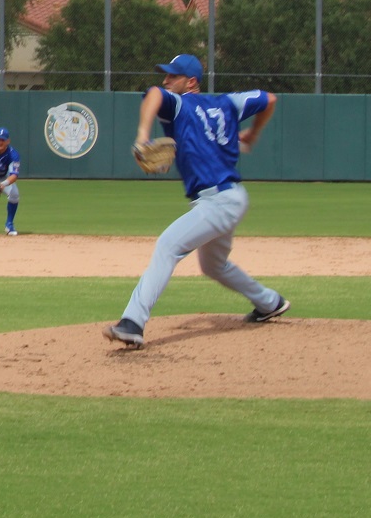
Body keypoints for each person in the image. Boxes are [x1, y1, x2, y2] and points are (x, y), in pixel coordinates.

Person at [103, 54, 289, 349]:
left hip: (217, 202)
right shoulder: (228, 103)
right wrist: (253, 133)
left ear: (191, 82)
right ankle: (269, 302)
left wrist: (142, 135)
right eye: (165, 76)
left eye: (172, 77)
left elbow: (152, 94)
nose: (165, 82)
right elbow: (270, 99)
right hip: (231, 198)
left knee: (167, 245)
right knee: (214, 266)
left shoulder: (179, 104)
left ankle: (133, 322)